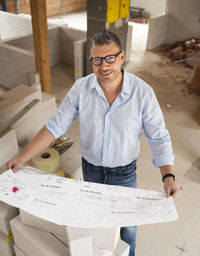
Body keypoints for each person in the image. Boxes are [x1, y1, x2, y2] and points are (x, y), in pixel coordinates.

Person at [7, 30, 179, 256]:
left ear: (121, 57)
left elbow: (159, 137)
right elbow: (54, 126)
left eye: (110, 58)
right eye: (97, 60)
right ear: (91, 61)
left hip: (124, 173)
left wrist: (168, 177)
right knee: (96, 221)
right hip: (92, 170)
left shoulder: (142, 93)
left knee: (127, 228)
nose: (104, 66)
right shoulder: (81, 88)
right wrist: (21, 158)